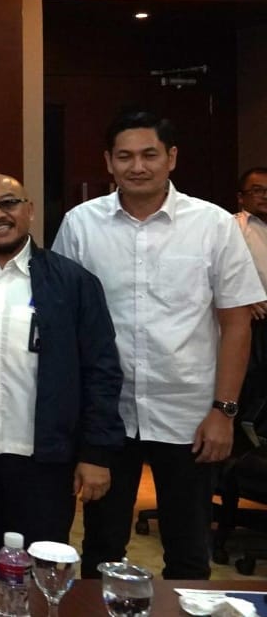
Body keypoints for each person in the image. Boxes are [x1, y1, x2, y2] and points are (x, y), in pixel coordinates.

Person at [54, 110, 265, 579]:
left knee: (189, 553)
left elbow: (236, 324)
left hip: (190, 415)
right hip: (107, 415)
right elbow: (64, 321)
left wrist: (224, 411)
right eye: (125, 156)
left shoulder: (212, 225)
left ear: (171, 158)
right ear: (108, 162)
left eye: (149, 155)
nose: (137, 167)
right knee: (101, 547)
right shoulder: (81, 224)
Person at [0, 173, 124, 576]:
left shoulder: (73, 283)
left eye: (8, 203)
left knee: (42, 570)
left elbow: (102, 371)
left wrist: (95, 453)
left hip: (43, 458)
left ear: (30, 210)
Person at [237, 167, 267, 319]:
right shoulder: (231, 227)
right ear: (241, 197)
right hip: (257, 317)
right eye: (257, 191)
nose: (265, 196)